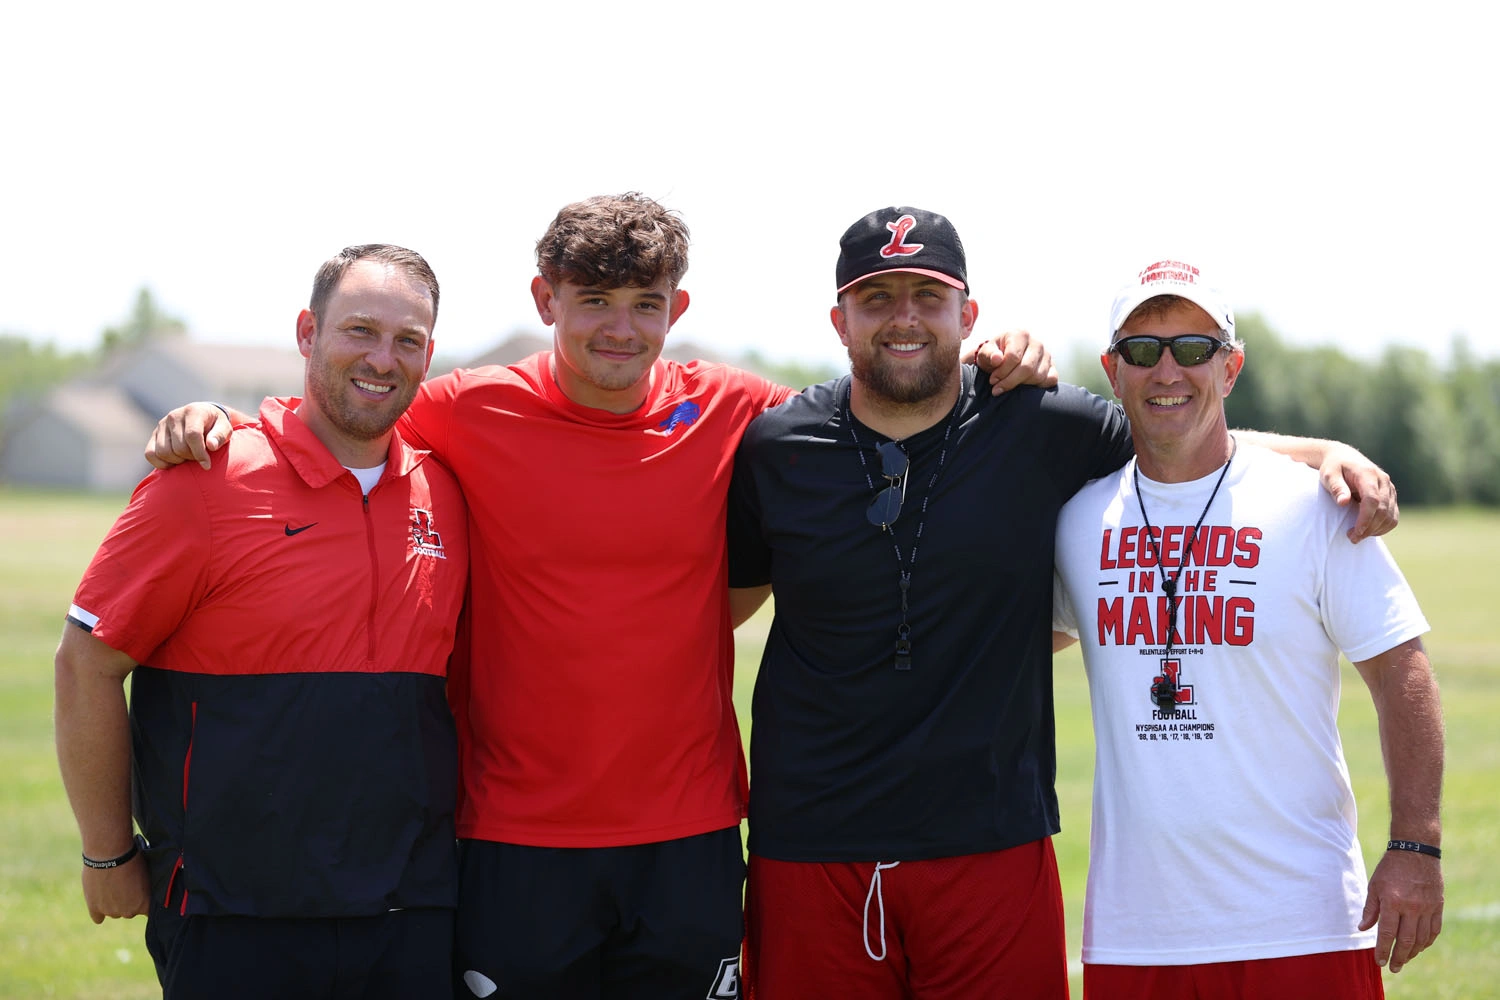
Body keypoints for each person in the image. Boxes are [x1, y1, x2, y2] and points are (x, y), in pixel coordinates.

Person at [140, 194, 1060, 1000]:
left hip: (691, 836)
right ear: (545, 299)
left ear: (679, 309)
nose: (620, 328)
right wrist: (228, 422)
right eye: (593, 302)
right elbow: (348, 408)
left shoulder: (741, 412)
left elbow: (888, 398)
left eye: (645, 305)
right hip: (512, 838)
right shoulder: (466, 409)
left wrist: (997, 357)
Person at [724, 209, 1400, 1000]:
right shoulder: (778, 448)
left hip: (991, 842)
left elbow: (1180, 432)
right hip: (809, 846)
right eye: (877, 299)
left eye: (927, 297)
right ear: (840, 320)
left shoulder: (1042, 422)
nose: (904, 318)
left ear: (967, 315)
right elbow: (716, 618)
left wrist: (1327, 454)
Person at [55, 245, 470, 1000]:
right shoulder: (205, 482)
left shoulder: (448, 490)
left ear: (429, 353)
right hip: (232, 912)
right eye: (359, 330)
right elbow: (86, 663)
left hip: (412, 909)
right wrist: (108, 855)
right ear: (308, 333)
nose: (383, 358)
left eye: (407, 340)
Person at [1051, 260, 1444, 999]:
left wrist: (1415, 844)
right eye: (1143, 349)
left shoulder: (1315, 507)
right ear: (1114, 369)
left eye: (1193, 348)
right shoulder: (1077, 521)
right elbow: (999, 642)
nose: (1167, 369)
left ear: (1230, 367)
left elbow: (1401, 670)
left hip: (1305, 923)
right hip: (1138, 938)